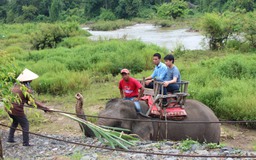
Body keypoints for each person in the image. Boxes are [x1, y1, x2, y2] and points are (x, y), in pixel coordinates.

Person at [6, 68, 52, 146]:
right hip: (16, 110)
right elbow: (33, 102)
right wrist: (45, 108)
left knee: (15, 121)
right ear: (27, 80)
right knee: (25, 124)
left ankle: (10, 139)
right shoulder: (25, 89)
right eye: (30, 80)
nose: (31, 81)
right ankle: (26, 143)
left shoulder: (14, 86)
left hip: (8, 108)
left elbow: (28, 101)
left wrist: (42, 107)